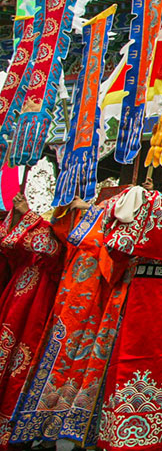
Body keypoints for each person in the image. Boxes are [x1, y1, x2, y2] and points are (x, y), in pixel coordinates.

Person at [13, 148, 162, 451]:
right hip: (138, 294)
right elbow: (116, 228)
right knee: (123, 360)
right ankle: (120, 432)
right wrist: (107, 204)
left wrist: (137, 198)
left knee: (160, 364)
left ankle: (155, 433)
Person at [0, 190, 65, 448]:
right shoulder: (30, 253)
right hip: (15, 300)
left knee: (22, 363)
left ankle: (13, 429)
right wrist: (19, 216)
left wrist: (27, 215)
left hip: (38, 306)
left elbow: (48, 247)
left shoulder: (60, 240)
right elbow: (10, 245)